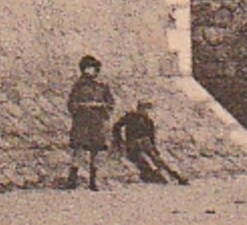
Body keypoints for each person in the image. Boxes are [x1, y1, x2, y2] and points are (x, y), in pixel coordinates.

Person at [65, 55, 115, 190]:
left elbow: (111, 103)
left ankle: (94, 180)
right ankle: (72, 179)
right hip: (82, 121)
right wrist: (80, 107)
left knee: (96, 150)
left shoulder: (102, 86)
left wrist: (101, 107)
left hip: (97, 122)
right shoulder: (78, 86)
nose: (89, 71)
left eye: (91, 68)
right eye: (86, 68)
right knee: (79, 149)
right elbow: (71, 103)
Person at [113, 100, 188, 185]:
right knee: (144, 161)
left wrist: (154, 148)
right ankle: (159, 177)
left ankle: (177, 177)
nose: (145, 111)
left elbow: (151, 137)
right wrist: (119, 140)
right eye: (143, 109)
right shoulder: (131, 117)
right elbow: (117, 126)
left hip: (145, 143)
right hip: (133, 143)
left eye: (147, 109)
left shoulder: (148, 121)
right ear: (139, 108)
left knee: (159, 160)